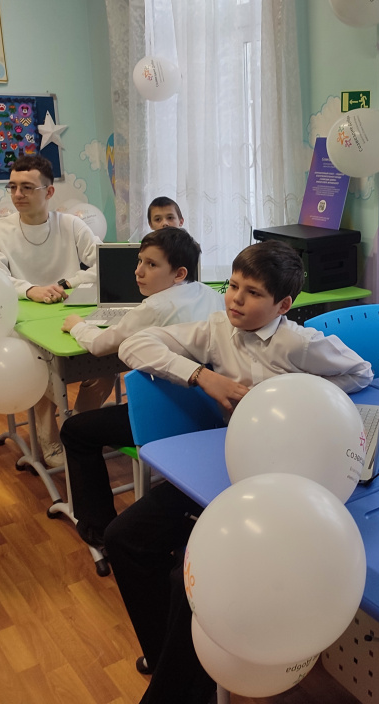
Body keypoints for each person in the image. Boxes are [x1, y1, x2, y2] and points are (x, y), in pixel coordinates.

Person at [104, 240, 373, 704]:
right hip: (230, 463)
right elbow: (133, 343)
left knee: (189, 579)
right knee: (123, 537)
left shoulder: (298, 342)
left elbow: (361, 373)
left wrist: (299, 396)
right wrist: (202, 376)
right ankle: (167, 655)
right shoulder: (216, 330)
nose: (235, 299)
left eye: (252, 293)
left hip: (290, 475)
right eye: (232, 286)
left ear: (283, 305)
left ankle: (176, 689)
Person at [58, 227, 224, 548]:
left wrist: (78, 325)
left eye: (151, 264)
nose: (138, 271)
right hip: (210, 413)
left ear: (179, 273)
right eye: (139, 262)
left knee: (75, 430)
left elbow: (101, 345)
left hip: (169, 417)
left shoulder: (154, 307)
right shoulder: (210, 294)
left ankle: (97, 528)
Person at [0, 155, 114, 468]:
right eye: (12, 187)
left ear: (49, 192)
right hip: (22, 321)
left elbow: (103, 264)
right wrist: (30, 290)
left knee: (105, 367)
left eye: (27, 187)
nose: (17, 194)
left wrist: (67, 283)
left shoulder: (71, 225)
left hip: (68, 313)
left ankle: (76, 428)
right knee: (39, 373)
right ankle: (50, 443)